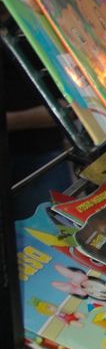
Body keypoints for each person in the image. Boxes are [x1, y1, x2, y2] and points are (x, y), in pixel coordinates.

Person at [3, 43, 73, 220]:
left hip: (39, 157)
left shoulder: (31, 41)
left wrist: (12, 121)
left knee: (47, 227)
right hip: (39, 157)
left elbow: (70, 107)